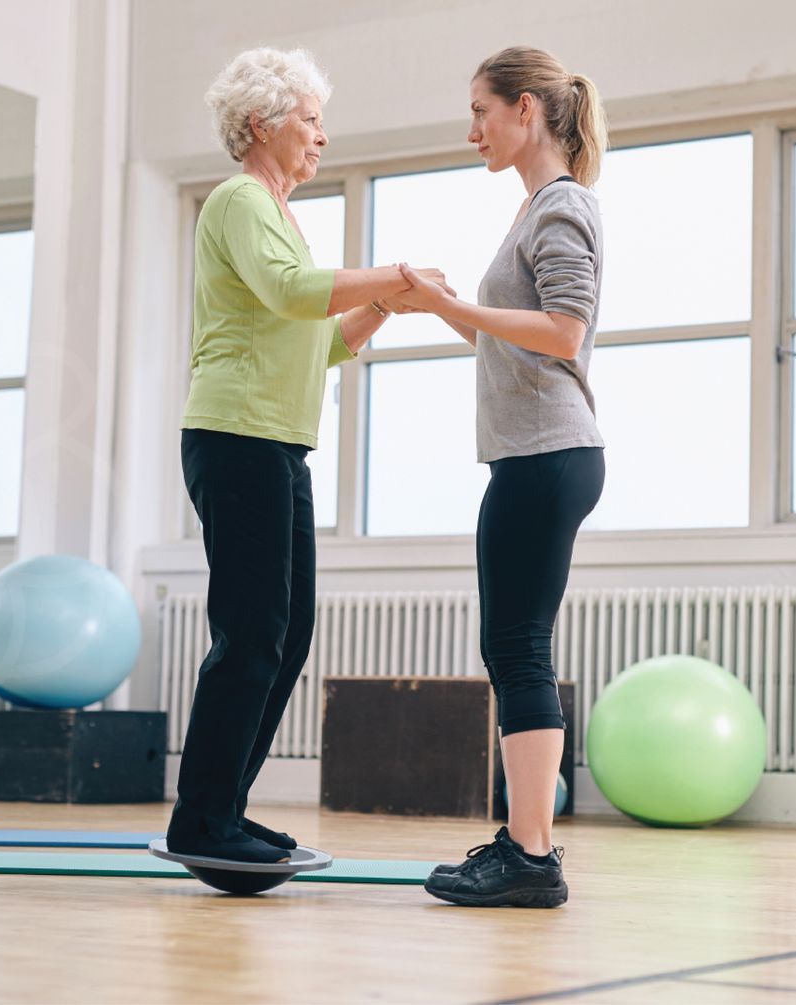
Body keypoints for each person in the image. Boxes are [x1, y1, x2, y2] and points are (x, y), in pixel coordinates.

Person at [170, 46, 451, 864]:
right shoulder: (238, 200)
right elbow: (296, 292)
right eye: (311, 119)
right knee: (252, 632)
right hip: (236, 437)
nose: (322, 136)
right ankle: (203, 821)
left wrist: (388, 307)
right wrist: (392, 272)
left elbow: (318, 342)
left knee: (285, 637)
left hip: (276, 445)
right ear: (262, 124)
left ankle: (223, 809)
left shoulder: (281, 216)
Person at [388, 46, 609, 907]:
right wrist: (442, 310)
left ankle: (530, 853)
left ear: (526, 110)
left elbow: (563, 329)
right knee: (512, 647)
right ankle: (528, 845)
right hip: (538, 454)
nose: (471, 128)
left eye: (481, 109)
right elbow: (514, 337)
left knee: (518, 649)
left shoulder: (560, 207)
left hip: (547, 453)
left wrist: (453, 305)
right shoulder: (538, 210)